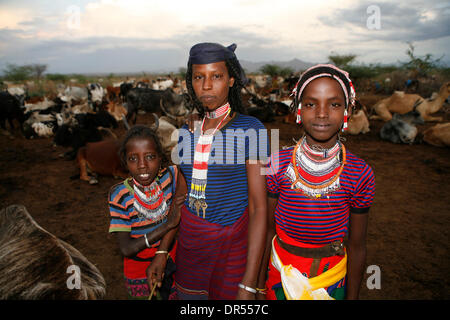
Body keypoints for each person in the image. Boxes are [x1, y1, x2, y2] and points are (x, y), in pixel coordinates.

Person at [257, 64, 375, 300]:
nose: (322, 113)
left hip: (330, 281)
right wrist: (259, 288)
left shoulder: (360, 173)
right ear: (298, 111)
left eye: (334, 104)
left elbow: (357, 245)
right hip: (278, 275)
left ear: (347, 111)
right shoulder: (274, 163)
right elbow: (267, 230)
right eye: (311, 104)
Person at [174, 42, 268, 300]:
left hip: (232, 251)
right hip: (190, 251)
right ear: (190, 82)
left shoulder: (253, 129)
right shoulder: (186, 132)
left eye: (216, 76)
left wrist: (249, 284)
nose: (206, 85)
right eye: (198, 77)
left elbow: (259, 208)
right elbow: (181, 198)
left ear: (231, 80)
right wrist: (162, 251)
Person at [108, 125, 186, 299]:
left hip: (174, 260)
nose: (142, 165)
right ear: (125, 162)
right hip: (139, 273)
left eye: (150, 157)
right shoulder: (119, 195)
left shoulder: (171, 177)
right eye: (133, 159)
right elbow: (127, 249)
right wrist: (167, 225)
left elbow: (189, 163)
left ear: (160, 157)